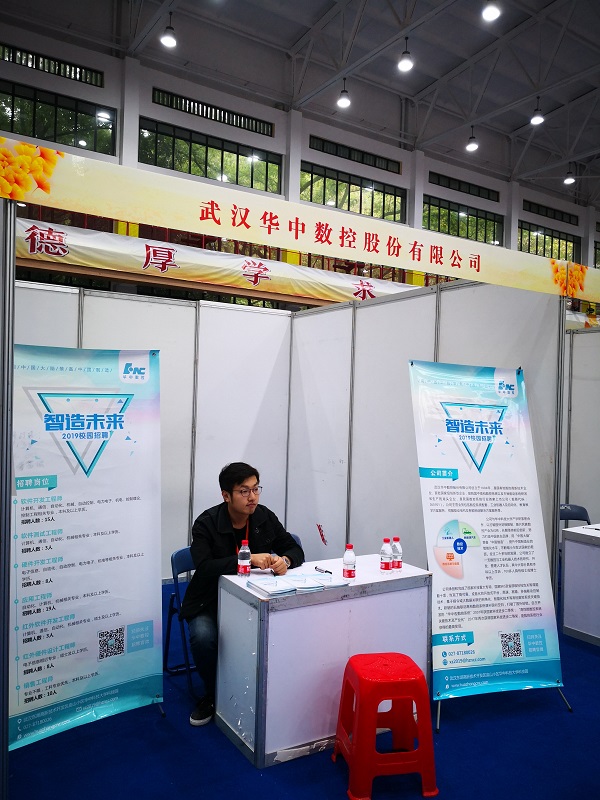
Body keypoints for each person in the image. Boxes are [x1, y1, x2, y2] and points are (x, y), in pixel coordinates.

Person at [180, 461, 305, 726]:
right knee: (203, 637)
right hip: (209, 599)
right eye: (244, 491)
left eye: (256, 489)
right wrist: (246, 559)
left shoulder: (264, 517)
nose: (252, 497)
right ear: (226, 495)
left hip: (255, 598)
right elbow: (204, 567)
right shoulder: (206, 523)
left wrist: (285, 560)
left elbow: (294, 549)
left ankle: (271, 689)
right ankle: (213, 694)